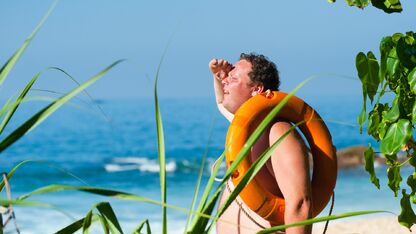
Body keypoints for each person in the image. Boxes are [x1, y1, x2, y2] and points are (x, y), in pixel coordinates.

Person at [210, 53, 312, 234]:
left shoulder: (277, 132)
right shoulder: (244, 130)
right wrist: (219, 77)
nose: (225, 82)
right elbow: (221, 103)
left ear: (256, 89)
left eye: (233, 78)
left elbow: (300, 204)